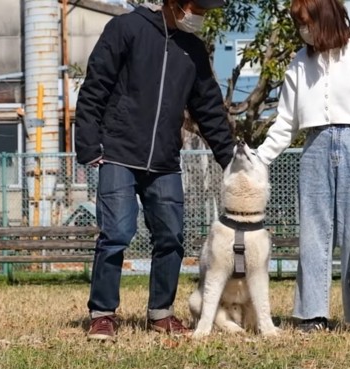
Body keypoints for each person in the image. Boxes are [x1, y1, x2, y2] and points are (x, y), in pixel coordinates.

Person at [75, 0, 234, 340]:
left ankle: (161, 312)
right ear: (176, 3)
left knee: (172, 238)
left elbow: (209, 109)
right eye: (198, 9)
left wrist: (230, 160)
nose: (201, 17)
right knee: (116, 234)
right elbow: (95, 86)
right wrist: (89, 145)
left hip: (164, 160)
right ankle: (102, 314)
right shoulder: (126, 29)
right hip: (117, 152)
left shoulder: (192, 50)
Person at [256, 0, 350, 334]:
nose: (302, 30)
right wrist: (259, 160)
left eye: (306, 22)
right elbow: (285, 122)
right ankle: (311, 315)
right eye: (298, 24)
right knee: (313, 233)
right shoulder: (299, 63)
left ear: (325, 18)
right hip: (314, 146)